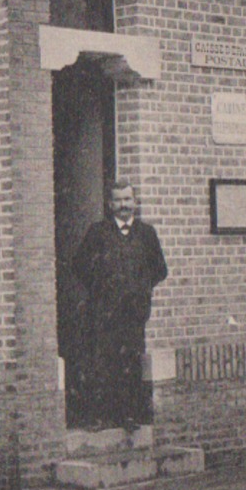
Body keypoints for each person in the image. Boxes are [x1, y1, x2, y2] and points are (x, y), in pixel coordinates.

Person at [72, 180, 168, 433]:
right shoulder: (98, 232)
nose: (124, 205)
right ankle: (102, 416)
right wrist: (102, 290)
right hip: (104, 313)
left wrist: (139, 290)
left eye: (128, 200)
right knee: (102, 362)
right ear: (110, 204)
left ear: (135, 203)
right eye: (118, 200)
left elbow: (160, 270)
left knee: (131, 362)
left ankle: (129, 416)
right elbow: (79, 265)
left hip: (134, 313)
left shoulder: (147, 234)